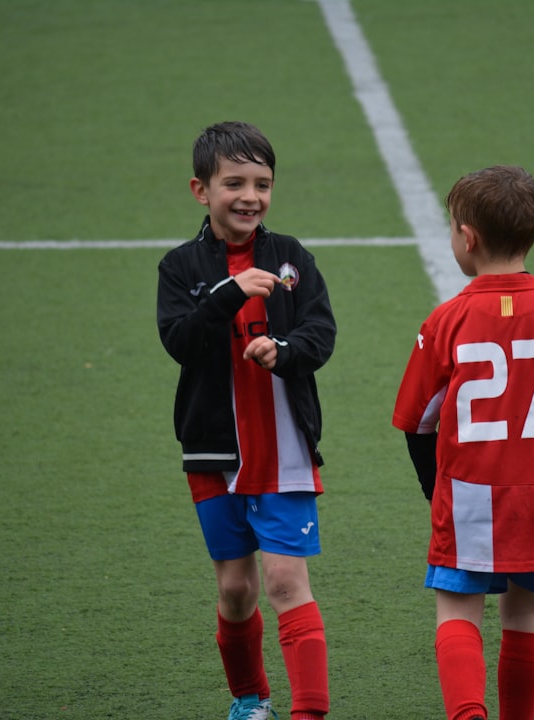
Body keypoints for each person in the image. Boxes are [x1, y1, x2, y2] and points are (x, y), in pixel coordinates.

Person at [391, 165, 534, 720]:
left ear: (467, 238)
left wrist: (434, 492)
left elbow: (417, 421)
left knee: (458, 610)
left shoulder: (448, 319)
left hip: (470, 492)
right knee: (525, 612)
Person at [157, 121, 336, 720]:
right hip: (213, 453)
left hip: (283, 450)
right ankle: (249, 700)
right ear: (200, 190)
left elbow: (320, 333)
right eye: (234, 182)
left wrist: (283, 353)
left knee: (286, 584)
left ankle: (308, 712)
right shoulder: (180, 267)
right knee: (236, 589)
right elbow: (181, 341)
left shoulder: (291, 257)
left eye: (262, 183)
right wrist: (229, 294)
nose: (250, 196)